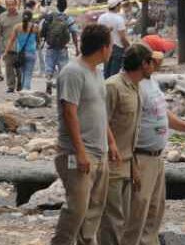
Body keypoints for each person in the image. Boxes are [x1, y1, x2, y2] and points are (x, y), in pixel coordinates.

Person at [121, 49, 185, 245]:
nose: (158, 64)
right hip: (140, 156)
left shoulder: (151, 82)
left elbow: (161, 113)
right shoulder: (131, 87)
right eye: (153, 61)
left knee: (154, 209)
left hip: (156, 156)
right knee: (137, 210)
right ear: (144, 63)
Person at [51, 24, 115, 245]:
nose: (112, 50)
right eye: (111, 46)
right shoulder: (72, 72)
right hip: (78, 152)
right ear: (103, 48)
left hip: (100, 151)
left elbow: (98, 110)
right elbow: (70, 113)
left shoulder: (97, 72)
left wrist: (111, 142)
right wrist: (80, 152)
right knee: (76, 210)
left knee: (93, 211)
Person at [98, 45, 147, 245]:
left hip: (126, 163)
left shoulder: (136, 87)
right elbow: (100, 121)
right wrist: (111, 144)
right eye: (151, 61)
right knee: (111, 220)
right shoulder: (112, 86)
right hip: (111, 163)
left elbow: (132, 132)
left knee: (122, 219)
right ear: (143, 64)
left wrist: (133, 165)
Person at [42, 0, 80, 92]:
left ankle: (49, 80)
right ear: (66, 6)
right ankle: (62, 88)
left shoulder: (50, 16)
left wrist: (42, 40)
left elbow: (42, 30)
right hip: (62, 48)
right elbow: (74, 33)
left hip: (50, 47)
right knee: (63, 67)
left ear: (57, 5)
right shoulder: (68, 18)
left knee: (49, 65)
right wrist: (76, 48)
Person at [98, 0, 130, 79]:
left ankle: (105, 89)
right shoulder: (119, 19)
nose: (120, 7)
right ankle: (111, 90)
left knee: (106, 72)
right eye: (119, 5)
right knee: (114, 74)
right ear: (116, 6)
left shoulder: (102, 17)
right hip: (117, 48)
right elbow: (122, 37)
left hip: (105, 47)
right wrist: (128, 47)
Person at [0, 0, 24, 90]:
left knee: (19, 68)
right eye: (9, 4)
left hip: (20, 47)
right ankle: (11, 86)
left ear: (16, 5)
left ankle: (20, 84)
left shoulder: (21, 16)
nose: (11, 6)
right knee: (9, 68)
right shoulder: (2, 16)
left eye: (12, 4)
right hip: (7, 47)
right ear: (6, 5)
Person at [9, 12, 40, 92]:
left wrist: (7, 51)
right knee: (28, 73)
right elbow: (38, 40)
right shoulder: (35, 27)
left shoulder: (17, 27)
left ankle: (23, 88)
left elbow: (12, 40)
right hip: (31, 53)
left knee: (23, 72)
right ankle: (26, 89)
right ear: (31, 18)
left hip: (20, 53)